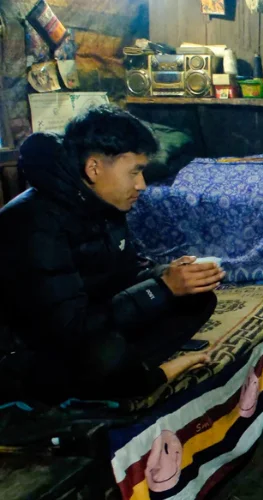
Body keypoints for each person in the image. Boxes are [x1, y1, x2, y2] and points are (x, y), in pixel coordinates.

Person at [0, 105, 225, 402]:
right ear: (94, 168)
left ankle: (128, 369)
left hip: (95, 323)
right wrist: (162, 288)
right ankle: (149, 375)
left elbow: (124, 273)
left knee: (197, 298)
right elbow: (68, 329)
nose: (142, 185)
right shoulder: (34, 222)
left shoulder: (101, 201)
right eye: (135, 171)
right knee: (107, 354)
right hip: (36, 352)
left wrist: (168, 275)